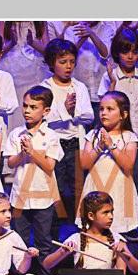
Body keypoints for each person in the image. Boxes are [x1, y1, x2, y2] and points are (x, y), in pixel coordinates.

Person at [3, 86, 62, 275]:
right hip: (20, 196)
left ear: (46, 111)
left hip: (43, 197)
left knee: (43, 241)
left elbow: (50, 166)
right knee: (18, 242)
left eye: (33, 107)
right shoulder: (16, 133)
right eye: (25, 106)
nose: (27, 110)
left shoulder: (51, 136)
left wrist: (32, 152)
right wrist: (23, 153)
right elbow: (11, 163)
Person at [39, 37, 94, 224]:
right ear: (52, 63)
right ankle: (55, 227)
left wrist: (70, 113)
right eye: (63, 62)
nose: (68, 66)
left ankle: (81, 224)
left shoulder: (79, 87)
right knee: (57, 187)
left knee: (78, 186)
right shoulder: (45, 88)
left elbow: (88, 115)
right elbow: (45, 118)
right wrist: (64, 110)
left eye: (71, 61)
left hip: (75, 143)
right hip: (54, 145)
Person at [99, 27, 138, 203]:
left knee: (135, 179)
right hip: (116, 137)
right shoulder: (109, 75)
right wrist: (113, 82)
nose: (130, 56)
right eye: (125, 52)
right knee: (113, 180)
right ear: (117, 53)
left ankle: (132, 216)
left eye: (135, 52)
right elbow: (105, 106)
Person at [77, 91, 138, 235]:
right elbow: (85, 164)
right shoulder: (93, 135)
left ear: (123, 114)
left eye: (110, 109)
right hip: (96, 185)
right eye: (101, 109)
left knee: (118, 227)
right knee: (94, 229)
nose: (104, 113)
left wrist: (111, 145)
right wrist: (99, 147)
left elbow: (128, 165)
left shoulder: (129, 137)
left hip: (119, 187)